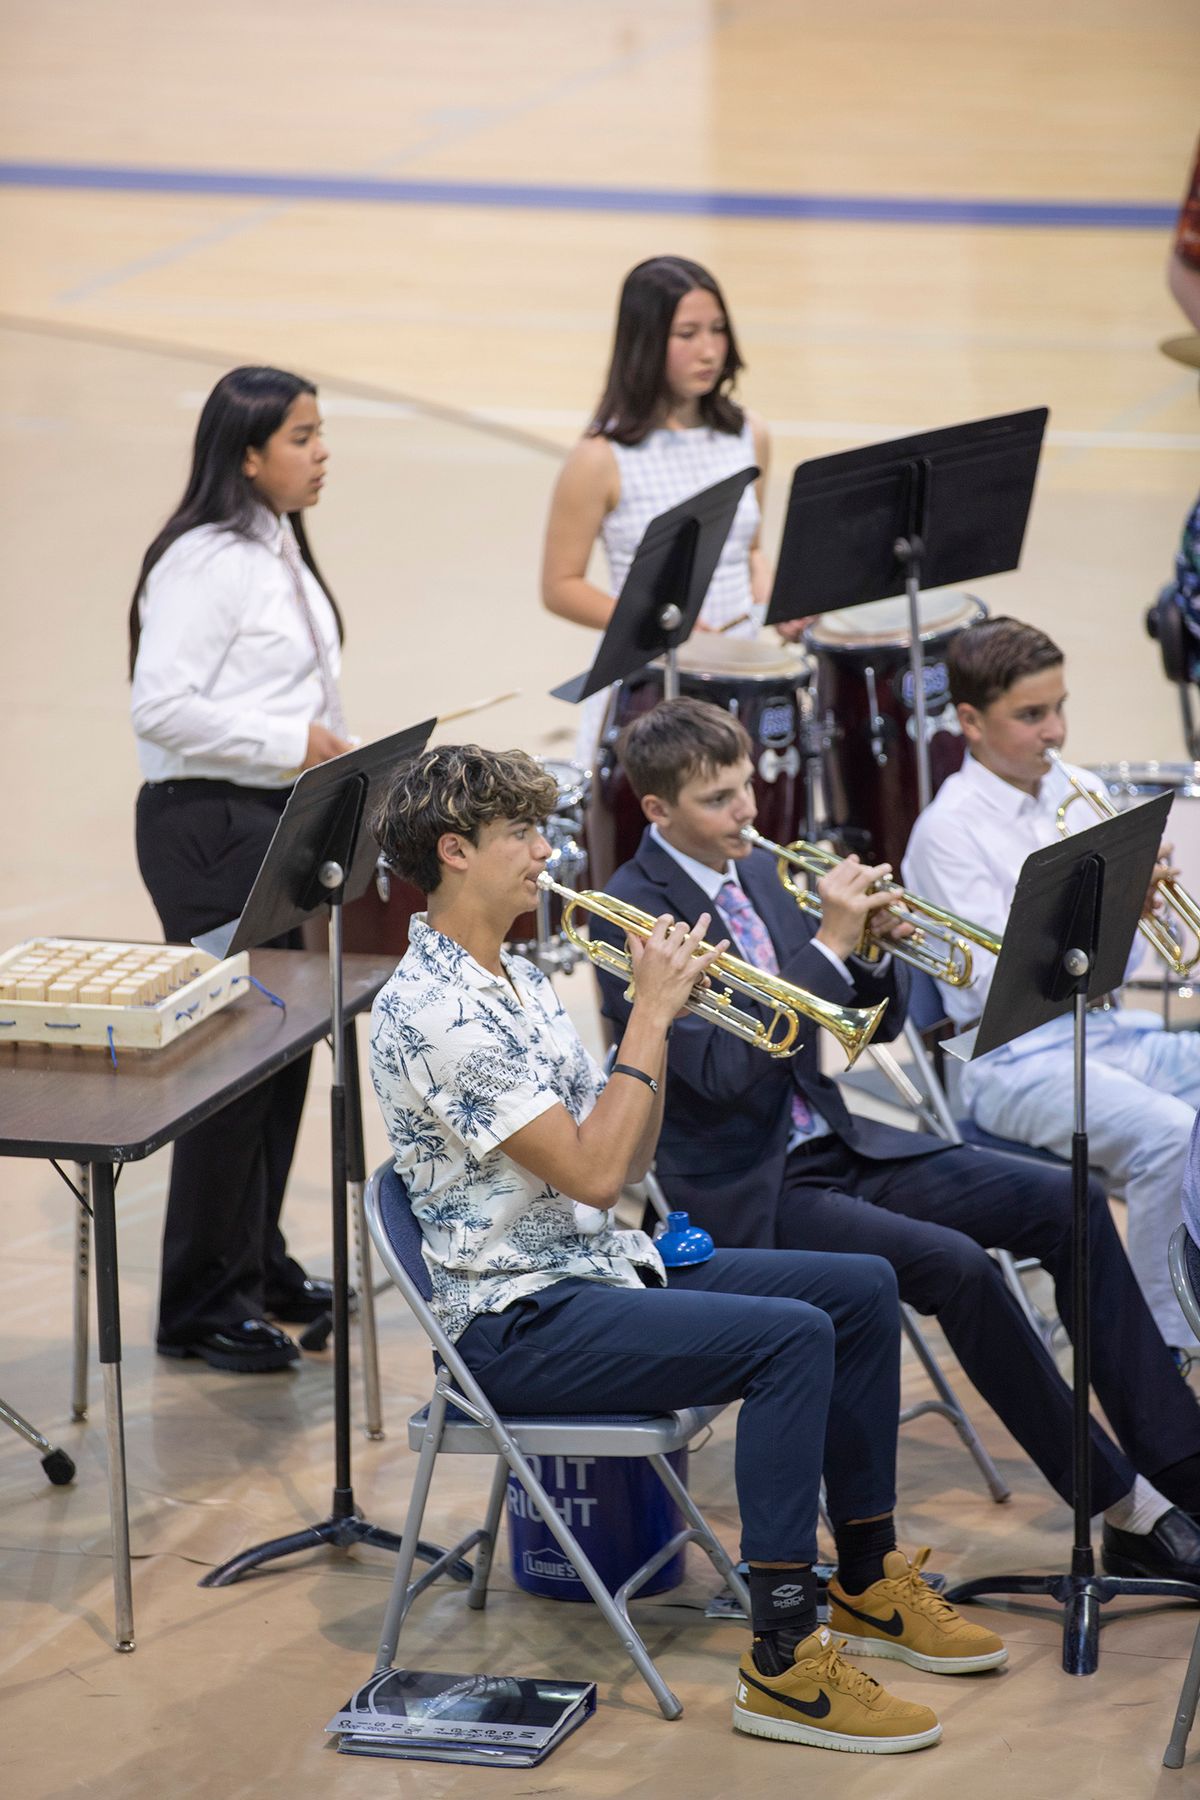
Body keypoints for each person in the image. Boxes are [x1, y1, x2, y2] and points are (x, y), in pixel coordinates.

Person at [368, 743, 1007, 1758]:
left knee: (860, 1289)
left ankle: (867, 1576)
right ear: (455, 851)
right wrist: (653, 1016)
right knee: (791, 1339)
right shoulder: (433, 1011)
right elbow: (594, 1173)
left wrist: (664, 1025)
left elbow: (626, 1151)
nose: (545, 853)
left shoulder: (517, 977)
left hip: (591, 1265)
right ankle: (784, 1658)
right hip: (515, 1320)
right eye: (521, 835)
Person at [594, 696, 1200, 1585]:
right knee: (958, 1266)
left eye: (747, 787)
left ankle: (1181, 1463)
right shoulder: (628, 913)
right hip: (746, 1187)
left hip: (841, 1145)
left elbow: (866, 1031)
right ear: (656, 809)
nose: (748, 812)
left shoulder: (758, 872)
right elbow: (720, 1075)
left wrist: (872, 954)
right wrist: (828, 946)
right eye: (718, 799)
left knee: (1065, 1200)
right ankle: (1124, 1506)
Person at [130, 366, 353, 1372]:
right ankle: (199, 1301)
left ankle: (253, 1264)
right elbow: (160, 707)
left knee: (283, 1046)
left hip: (275, 815)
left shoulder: (276, 545)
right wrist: (292, 742)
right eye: (302, 437)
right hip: (210, 825)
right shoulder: (205, 560)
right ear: (249, 454)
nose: (322, 452)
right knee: (232, 1057)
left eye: (320, 432)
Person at [904, 614, 1200, 1357]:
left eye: (1060, 707)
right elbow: (995, 987)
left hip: (1109, 1031)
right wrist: (1109, 911)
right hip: (1012, 1060)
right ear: (971, 721)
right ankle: (1166, 1347)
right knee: (1169, 1134)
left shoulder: (1080, 788)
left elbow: (1124, 967)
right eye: (1031, 715)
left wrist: (1139, 910)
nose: (1057, 731)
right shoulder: (947, 831)